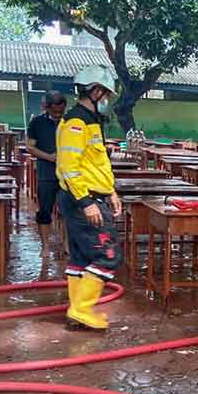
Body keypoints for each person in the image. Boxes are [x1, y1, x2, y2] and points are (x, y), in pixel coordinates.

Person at [56, 65, 122, 330]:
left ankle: (77, 311)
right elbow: (69, 167)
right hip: (81, 199)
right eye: (105, 94)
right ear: (95, 91)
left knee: (82, 256)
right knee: (108, 255)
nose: (107, 100)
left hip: (93, 195)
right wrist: (87, 202)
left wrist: (111, 192)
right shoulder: (76, 122)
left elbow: (96, 163)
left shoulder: (92, 121)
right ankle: (82, 309)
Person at [27, 91, 67, 254]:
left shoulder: (70, 122)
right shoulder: (36, 123)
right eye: (55, 111)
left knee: (67, 211)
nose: (58, 115)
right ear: (46, 107)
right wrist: (49, 157)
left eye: (61, 111)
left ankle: (66, 245)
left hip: (67, 175)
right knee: (45, 211)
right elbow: (30, 147)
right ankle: (45, 246)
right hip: (46, 174)